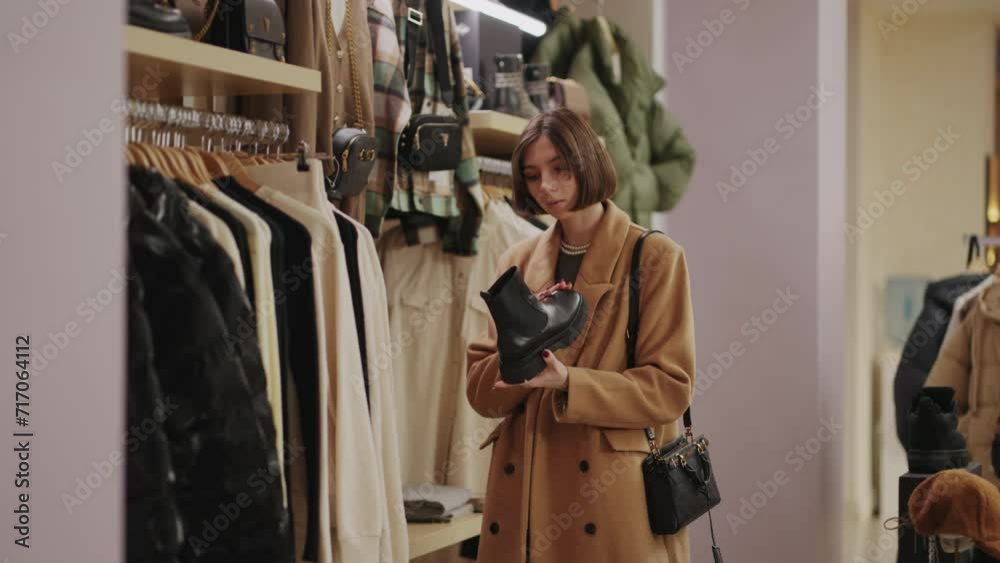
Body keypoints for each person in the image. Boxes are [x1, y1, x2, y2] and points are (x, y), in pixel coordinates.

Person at [466, 108, 697, 563]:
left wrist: (570, 382)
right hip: (524, 496)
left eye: (560, 169)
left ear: (588, 162)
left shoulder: (654, 256)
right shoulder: (516, 261)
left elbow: (670, 388)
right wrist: (519, 359)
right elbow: (482, 394)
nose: (546, 187)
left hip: (609, 500)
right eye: (532, 175)